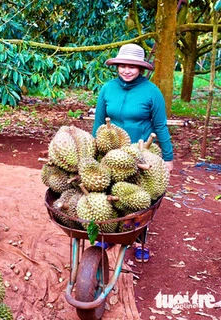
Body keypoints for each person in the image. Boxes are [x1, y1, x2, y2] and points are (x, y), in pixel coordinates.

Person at [92, 43, 174, 262]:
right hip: (113, 152)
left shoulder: (151, 92)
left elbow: (161, 126)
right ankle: (109, 233)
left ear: (141, 68)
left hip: (143, 153)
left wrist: (168, 157)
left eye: (132, 66)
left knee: (141, 198)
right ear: (117, 66)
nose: (126, 70)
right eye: (122, 65)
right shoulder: (107, 89)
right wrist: (93, 151)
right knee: (110, 193)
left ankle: (139, 239)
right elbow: (99, 123)